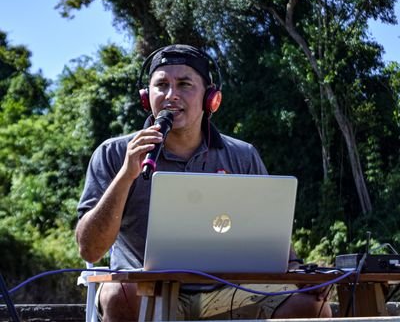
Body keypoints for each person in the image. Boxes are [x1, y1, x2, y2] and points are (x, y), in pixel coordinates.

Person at [76, 44, 332, 321]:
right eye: (161, 85)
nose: (171, 95)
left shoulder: (242, 156)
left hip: (229, 289)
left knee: (310, 307)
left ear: (211, 98)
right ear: (145, 96)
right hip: (147, 290)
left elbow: (273, 241)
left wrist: (301, 274)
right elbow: (90, 248)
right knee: (118, 294)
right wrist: (126, 175)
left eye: (185, 84)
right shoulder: (113, 153)